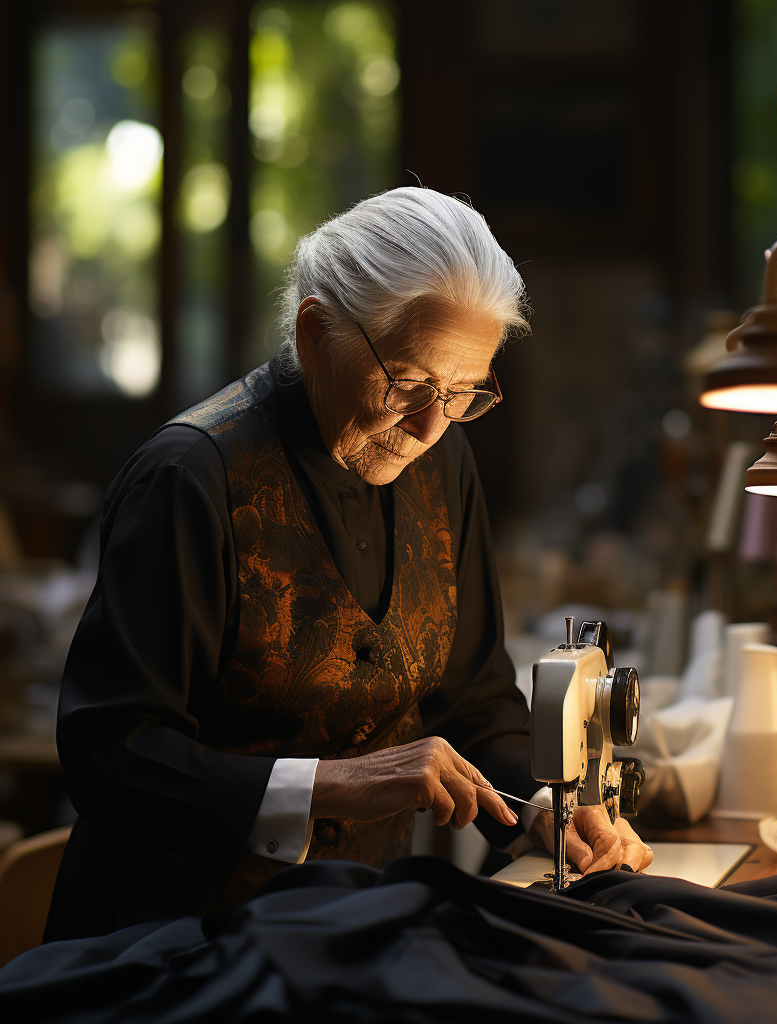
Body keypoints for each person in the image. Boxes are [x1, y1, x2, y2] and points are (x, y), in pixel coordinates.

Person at [46, 188, 653, 941]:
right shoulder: (191, 478)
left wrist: (539, 805)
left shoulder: (444, 462)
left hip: (354, 929)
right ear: (314, 333)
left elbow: (472, 699)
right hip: (170, 940)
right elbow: (111, 755)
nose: (433, 424)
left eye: (464, 390)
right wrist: (332, 785)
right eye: (409, 382)